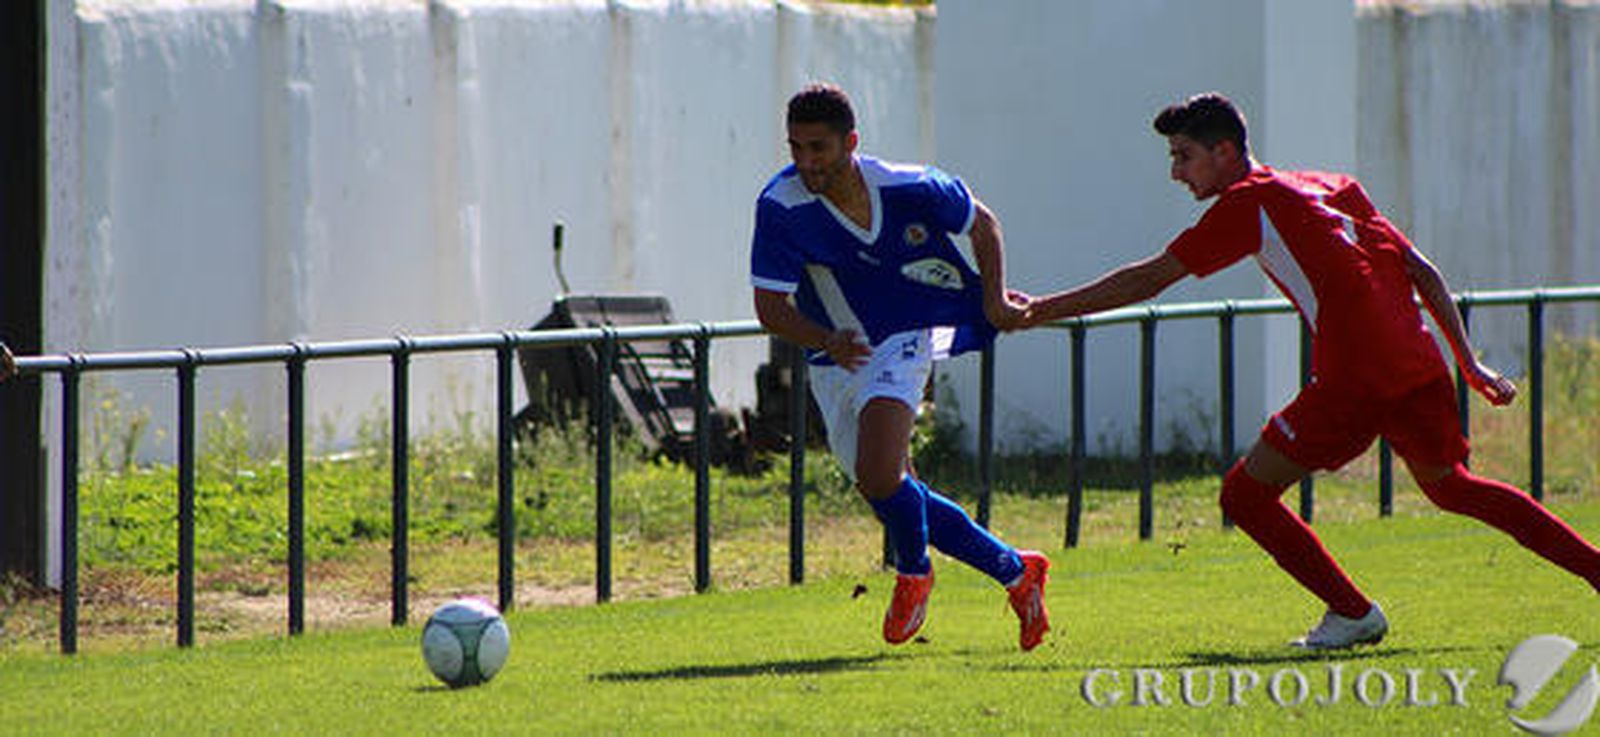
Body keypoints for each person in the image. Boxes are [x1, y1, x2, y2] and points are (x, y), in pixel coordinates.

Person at [1023, 92, 1600, 649]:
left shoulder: (1247, 203)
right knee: (1454, 488)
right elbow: (1421, 269)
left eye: (1183, 156)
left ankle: (1353, 614)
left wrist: (1037, 311)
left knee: (1243, 495)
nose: (1176, 172)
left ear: (1225, 151)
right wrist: (1466, 361)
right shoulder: (1331, 185)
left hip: (1356, 379)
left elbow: (1147, 279)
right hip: (1419, 363)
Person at [750, 83, 1051, 651]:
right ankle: (1016, 572)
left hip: (902, 338)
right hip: (834, 355)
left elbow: (982, 223)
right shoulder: (781, 207)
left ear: (851, 143)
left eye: (818, 147)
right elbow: (768, 308)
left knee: (881, 474)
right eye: (796, 148)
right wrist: (825, 341)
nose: (806, 162)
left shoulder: (909, 186)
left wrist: (992, 300)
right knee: (891, 488)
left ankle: (914, 574)